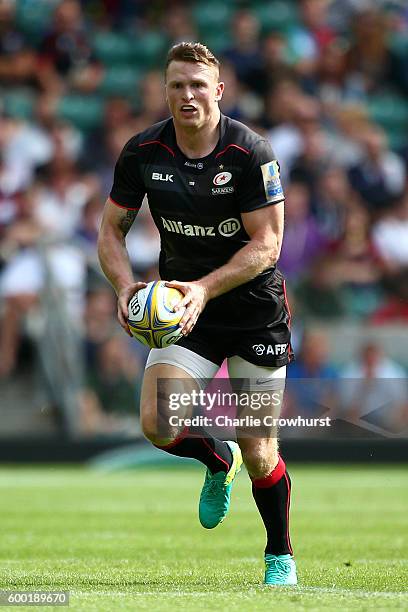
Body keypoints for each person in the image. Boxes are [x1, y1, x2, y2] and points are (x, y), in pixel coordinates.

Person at [97, 42, 297, 586]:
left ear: (218, 91)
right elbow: (111, 232)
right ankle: (215, 459)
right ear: (166, 91)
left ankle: (279, 554)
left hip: (253, 310)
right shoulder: (144, 151)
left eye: (197, 85)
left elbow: (268, 245)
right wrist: (123, 286)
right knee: (157, 425)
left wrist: (204, 289)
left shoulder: (252, 152)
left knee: (261, 448)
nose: (187, 95)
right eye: (177, 85)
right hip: (188, 313)